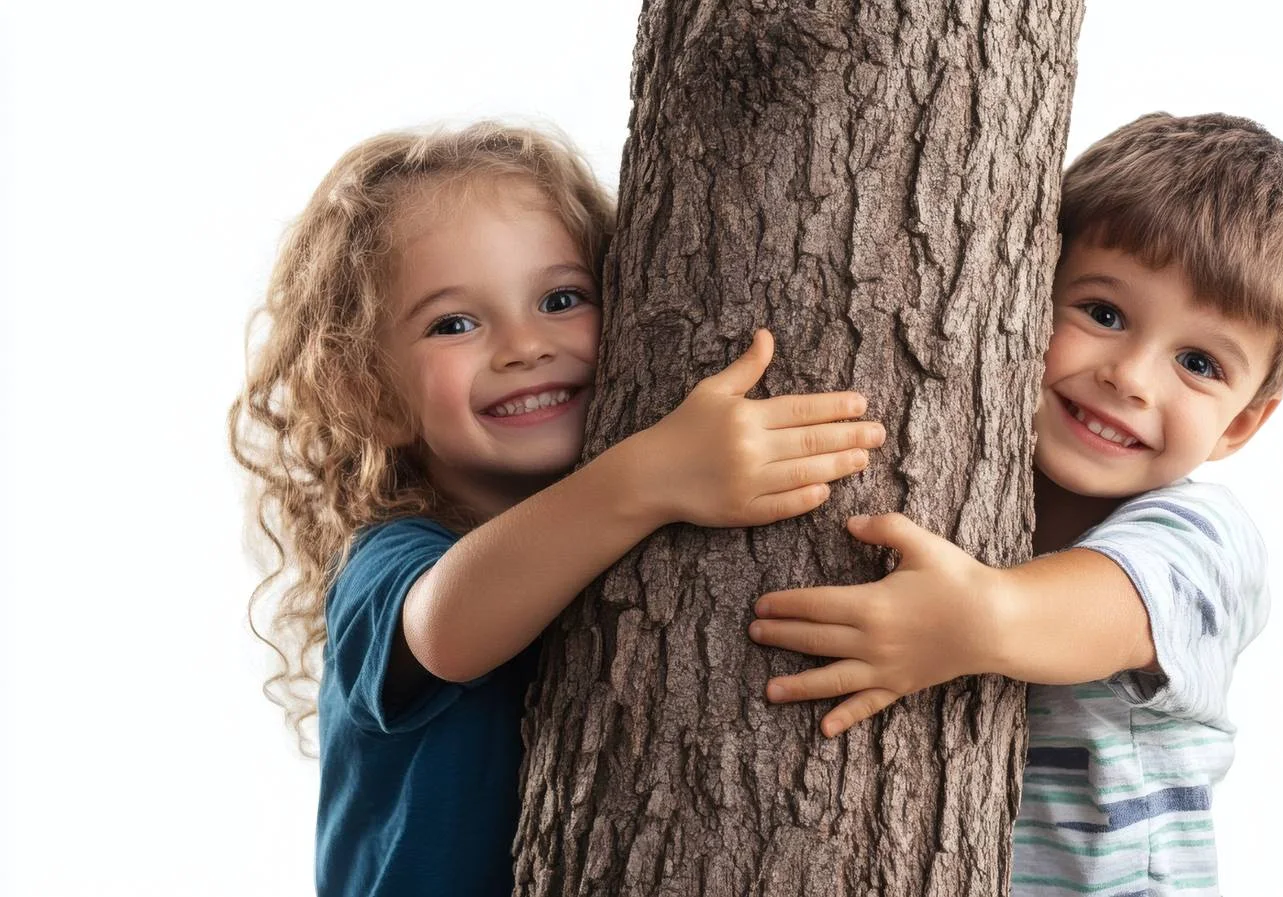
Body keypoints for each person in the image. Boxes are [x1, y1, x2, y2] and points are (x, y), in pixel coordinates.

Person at [228, 121, 886, 897]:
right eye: (455, 323)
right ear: (368, 392)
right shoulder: (389, 559)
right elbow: (448, 625)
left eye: (560, 298)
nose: (523, 344)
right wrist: (646, 477)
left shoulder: (618, 546)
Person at [747, 112, 1283, 895]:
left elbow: (1112, 604)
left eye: (1197, 362)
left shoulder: (1205, 538)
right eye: (1103, 313)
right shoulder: (966, 473)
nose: (1130, 376)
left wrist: (975, 617)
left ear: (1244, 423)